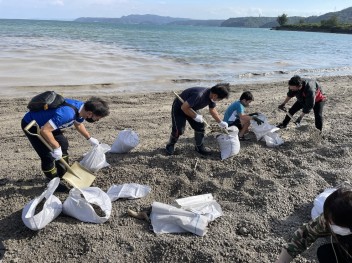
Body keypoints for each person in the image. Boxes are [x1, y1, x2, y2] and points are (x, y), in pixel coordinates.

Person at [21, 96, 109, 191]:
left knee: (63, 144)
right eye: (97, 118)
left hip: (48, 124)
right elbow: (45, 131)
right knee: (47, 156)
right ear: (90, 113)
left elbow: (78, 124)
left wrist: (89, 138)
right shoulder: (67, 114)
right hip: (33, 125)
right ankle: (54, 182)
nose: (97, 121)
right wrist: (56, 147)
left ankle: (62, 172)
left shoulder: (81, 109)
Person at [276, 187, 352, 263]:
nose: (330, 225)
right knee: (325, 253)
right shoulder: (331, 217)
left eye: (335, 224)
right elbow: (304, 235)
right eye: (329, 221)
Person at [166, 83, 230, 156]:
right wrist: (195, 116)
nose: (219, 100)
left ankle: (199, 147)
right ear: (215, 95)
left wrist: (220, 122)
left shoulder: (212, 97)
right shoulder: (199, 95)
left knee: (200, 126)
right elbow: (184, 107)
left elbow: (212, 109)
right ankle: (170, 145)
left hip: (191, 108)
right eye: (220, 99)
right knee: (179, 130)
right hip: (179, 107)